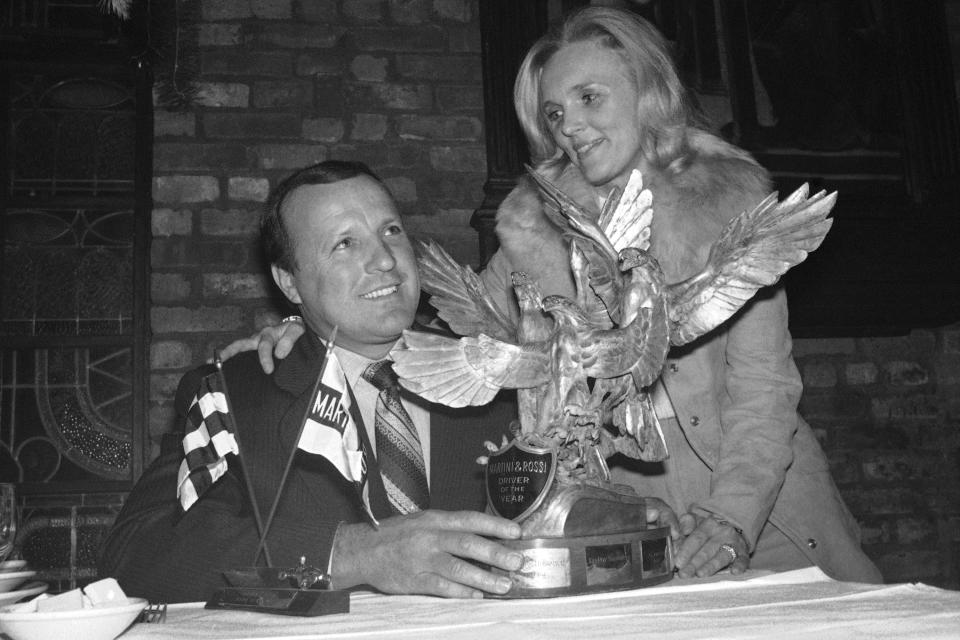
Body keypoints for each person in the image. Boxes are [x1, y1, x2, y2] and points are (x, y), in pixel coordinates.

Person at [224, 7, 882, 584]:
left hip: (764, 515)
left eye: (591, 98)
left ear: (647, 90)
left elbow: (765, 397)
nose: (571, 127)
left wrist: (730, 520)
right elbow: (455, 334)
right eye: (557, 113)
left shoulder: (729, 205)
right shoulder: (534, 228)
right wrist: (311, 332)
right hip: (630, 529)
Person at [100, 161, 530, 603]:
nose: (385, 260)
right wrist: (347, 553)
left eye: (392, 231)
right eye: (345, 243)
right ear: (289, 281)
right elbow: (136, 554)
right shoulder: (234, 394)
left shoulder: (500, 373)